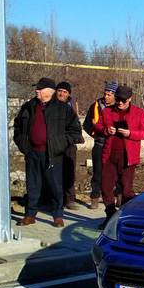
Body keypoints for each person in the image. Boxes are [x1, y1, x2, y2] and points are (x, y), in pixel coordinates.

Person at [13, 77, 83, 227]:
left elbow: (75, 131)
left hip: (53, 155)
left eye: (40, 88)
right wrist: (23, 145)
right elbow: (18, 126)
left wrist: (60, 144)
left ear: (49, 91)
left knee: (55, 186)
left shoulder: (63, 108)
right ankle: (30, 214)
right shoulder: (29, 106)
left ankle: (57, 215)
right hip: (32, 153)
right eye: (36, 88)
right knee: (32, 185)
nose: (36, 91)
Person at [95, 85, 144, 226]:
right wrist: (107, 130)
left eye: (123, 100)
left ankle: (126, 218)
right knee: (106, 187)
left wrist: (130, 133)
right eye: (118, 99)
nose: (120, 103)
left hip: (128, 156)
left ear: (130, 99)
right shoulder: (107, 111)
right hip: (109, 155)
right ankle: (110, 216)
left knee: (126, 190)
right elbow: (98, 126)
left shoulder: (139, 113)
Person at [83, 81, 117, 209]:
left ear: (115, 95)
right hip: (100, 144)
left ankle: (116, 196)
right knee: (98, 172)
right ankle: (95, 197)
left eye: (109, 94)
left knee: (115, 172)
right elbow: (87, 124)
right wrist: (95, 134)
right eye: (105, 94)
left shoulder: (119, 107)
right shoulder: (96, 106)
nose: (106, 96)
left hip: (114, 145)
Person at [56, 81, 80, 209]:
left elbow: (76, 125)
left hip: (69, 144)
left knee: (69, 172)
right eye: (59, 91)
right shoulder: (50, 105)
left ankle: (70, 199)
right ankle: (56, 199)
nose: (61, 94)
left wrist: (69, 138)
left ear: (68, 94)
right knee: (54, 172)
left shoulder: (71, 106)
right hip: (54, 143)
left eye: (64, 92)